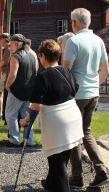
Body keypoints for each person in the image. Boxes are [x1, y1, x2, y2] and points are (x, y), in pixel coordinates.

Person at [21, 39, 83, 192]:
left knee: (57, 163)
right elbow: (75, 90)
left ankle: (59, 187)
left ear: (42, 56)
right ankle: (50, 183)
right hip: (73, 115)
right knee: (62, 159)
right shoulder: (66, 70)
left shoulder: (43, 76)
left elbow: (36, 105)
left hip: (57, 121)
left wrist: (26, 120)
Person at [63, 8, 109, 188]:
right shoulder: (98, 41)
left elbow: (66, 71)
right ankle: (100, 170)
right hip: (93, 93)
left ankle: (77, 177)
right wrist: (94, 86)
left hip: (77, 94)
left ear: (74, 23)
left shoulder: (73, 41)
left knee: (74, 136)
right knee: (87, 132)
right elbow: (105, 70)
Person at [4, 34, 36, 146]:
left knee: (10, 115)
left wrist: (7, 85)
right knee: (26, 116)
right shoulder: (33, 54)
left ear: (17, 44)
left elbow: (13, 74)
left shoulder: (15, 56)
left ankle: (14, 140)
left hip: (17, 90)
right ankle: (29, 140)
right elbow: (35, 71)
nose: (9, 48)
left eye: (11, 45)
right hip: (29, 90)